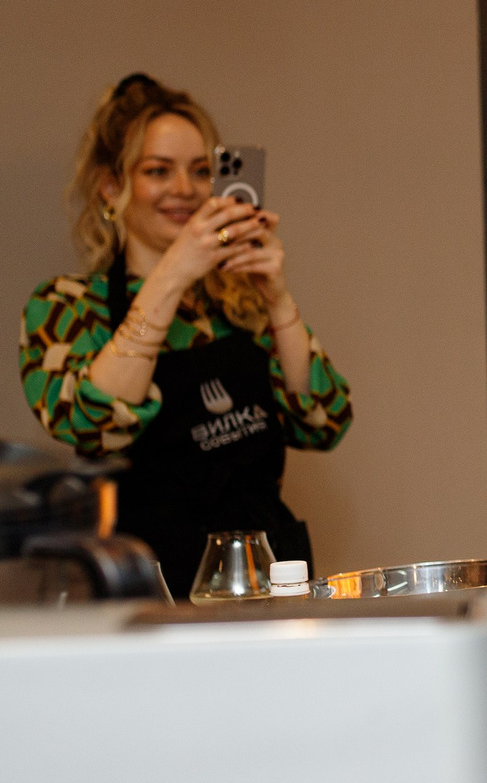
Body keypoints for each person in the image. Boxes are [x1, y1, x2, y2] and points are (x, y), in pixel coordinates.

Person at [20, 74, 350, 596]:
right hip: (151, 592)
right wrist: (172, 273)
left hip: (265, 584)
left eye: (200, 171)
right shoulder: (66, 306)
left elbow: (324, 422)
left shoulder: (236, 302)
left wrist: (277, 299)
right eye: (158, 171)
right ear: (111, 187)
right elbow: (91, 425)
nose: (185, 189)